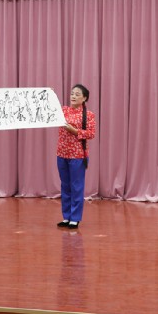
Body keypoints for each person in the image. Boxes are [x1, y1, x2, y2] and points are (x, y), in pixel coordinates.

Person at [56, 84, 96, 229]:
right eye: (72, 93)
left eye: (77, 94)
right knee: (65, 186)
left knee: (76, 187)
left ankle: (75, 218)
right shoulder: (63, 110)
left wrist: (74, 131)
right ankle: (66, 217)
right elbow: (49, 110)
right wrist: (49, 94)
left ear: (84, 98)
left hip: (78, 155)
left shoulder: (88, 115)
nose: (73, 96)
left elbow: (91, 134)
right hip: (61, 153)